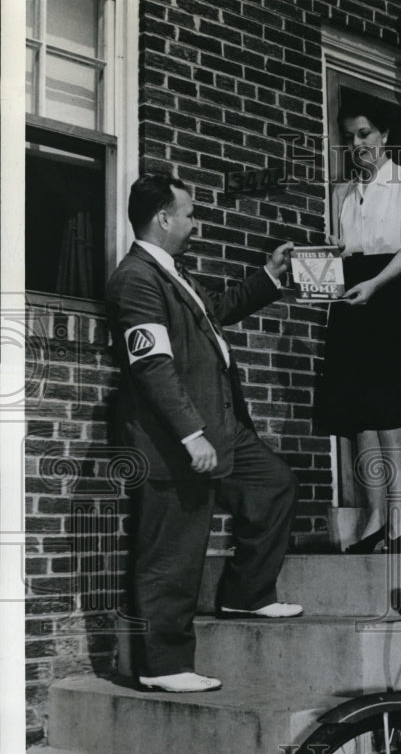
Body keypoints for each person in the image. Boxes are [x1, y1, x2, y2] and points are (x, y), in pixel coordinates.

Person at [106, 173, 302, 694]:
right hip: (175, 438)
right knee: (172, 548)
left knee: (272, 484)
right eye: (189, 214)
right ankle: (163, 665)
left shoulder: (174, 273)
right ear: (163, 218)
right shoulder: (137, 279)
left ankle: (247, 593)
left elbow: (215, 312)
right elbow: (151, 366)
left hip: (221, 427)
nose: (196, 224)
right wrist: (192, 433)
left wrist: (269, 274)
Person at [315, 97, 401, 553]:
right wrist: (332, 256)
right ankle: (375, 519)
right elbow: (345, 253)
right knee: (359, 415)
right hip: (351, 296)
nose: (357, 144)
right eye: (349, 137)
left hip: (388, 296)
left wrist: (376, 285)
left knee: (390, 410)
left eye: (364, 133)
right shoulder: (342, 192)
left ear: (384, 135)